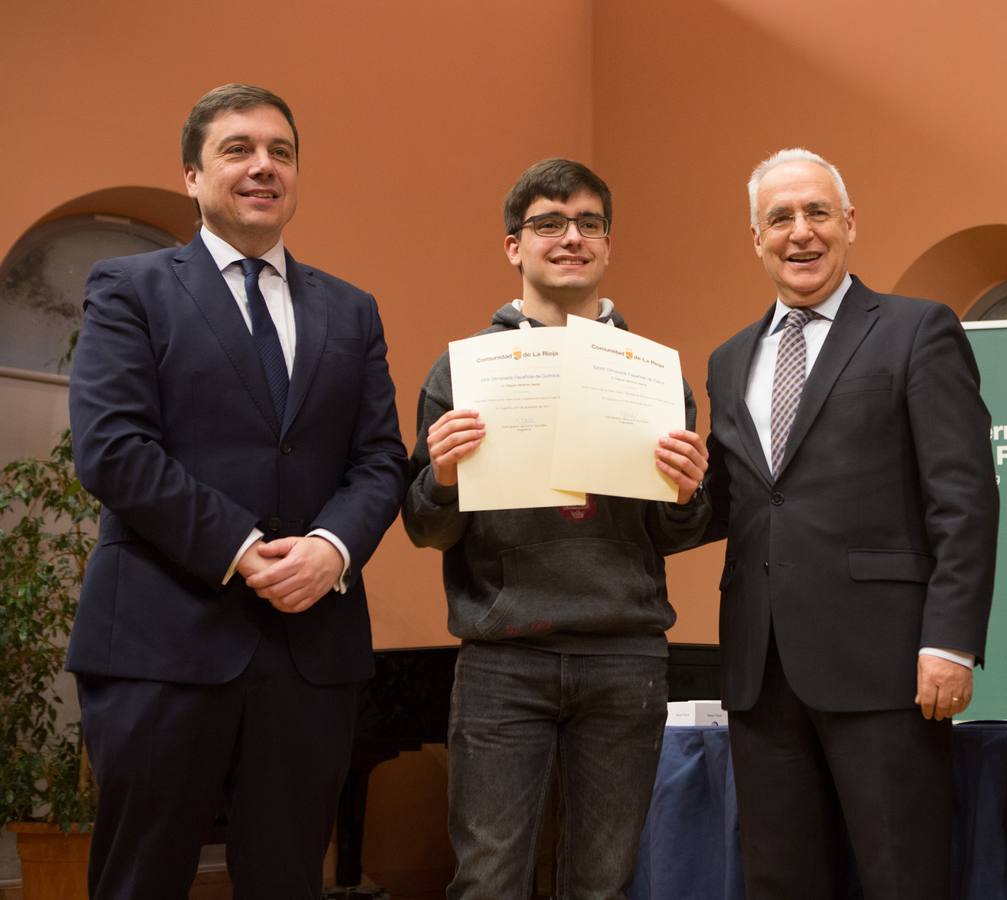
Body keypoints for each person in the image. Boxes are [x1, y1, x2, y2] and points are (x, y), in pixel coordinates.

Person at [65, 83, 407, 899]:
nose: (264, 167)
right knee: (140, 880)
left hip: (310, 652)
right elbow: (112, 449)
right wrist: (244, 550)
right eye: (238, 150)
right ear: (191, 175)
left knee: (287, 879)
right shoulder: (130, 287)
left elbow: (381, 461)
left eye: (280, 153)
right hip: (162, 641)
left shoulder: (351, 311)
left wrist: (330, 549)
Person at [402, 158, 710, 900]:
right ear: (514, 246)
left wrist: (685, 491)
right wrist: (440, 478)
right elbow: (423, 528)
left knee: (603, 884)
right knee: (487, 880)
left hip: (624, 656)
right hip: (502, 662)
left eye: (587, 223)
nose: (569, 237)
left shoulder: (655, 374)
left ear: (607, 245)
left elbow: (676, 532)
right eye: (547, 223)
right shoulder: (461, 370)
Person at [700, 147, 998, 898]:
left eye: (816, 213)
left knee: (903, 877)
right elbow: (738, 501)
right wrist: (669, 486)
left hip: (887, 668)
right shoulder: (729, 359)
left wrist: (951, 641)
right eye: (780, 218)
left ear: (849, 223)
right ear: (755, 238)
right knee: (779, 881)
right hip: (758, 671)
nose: (800, 233)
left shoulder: (915, 330)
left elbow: (963, 499)